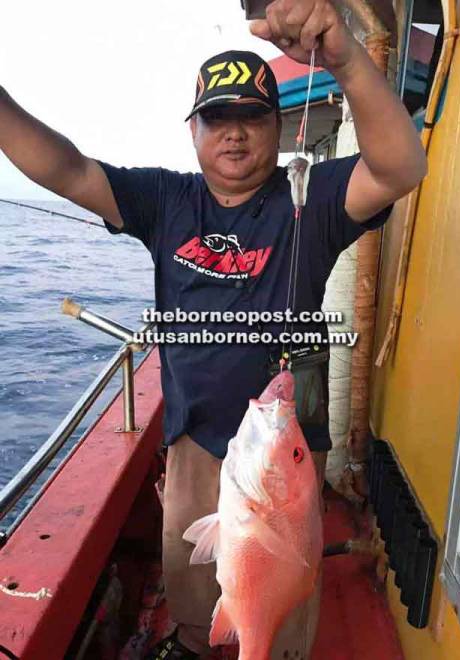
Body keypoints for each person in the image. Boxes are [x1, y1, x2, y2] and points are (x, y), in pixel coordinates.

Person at [0, 1, 426, 658]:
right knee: (198, 596)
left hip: (284, 450)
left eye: (250, 117)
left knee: (278, 604)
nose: (233, 133)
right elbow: (66, 170)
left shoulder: (308, 201)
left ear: (274, 128)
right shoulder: (165, 199)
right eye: (216, 118)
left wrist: (343, 57)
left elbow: (399, 168)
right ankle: (199, 644)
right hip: (195, 441)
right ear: (193, 131)